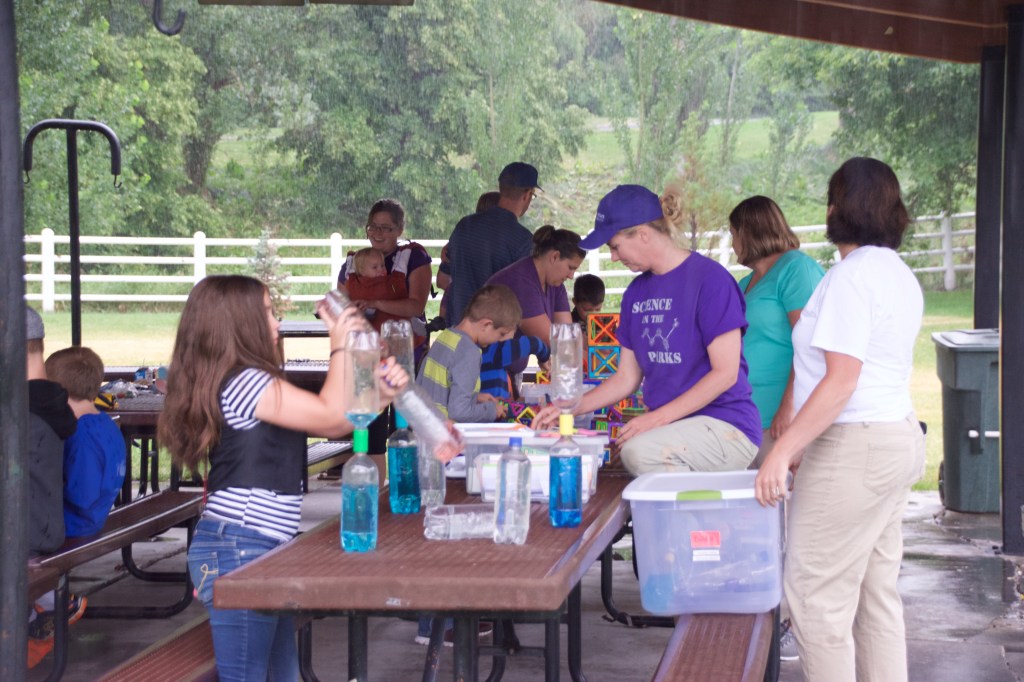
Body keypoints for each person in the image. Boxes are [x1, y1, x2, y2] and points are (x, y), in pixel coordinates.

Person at [158, 275, 408, 681]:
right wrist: (341, 343)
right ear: (238, 325)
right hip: (237, 545)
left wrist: (380, 395)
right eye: (268, 314)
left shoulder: (251, 379)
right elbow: (330, 415)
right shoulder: (243, 383)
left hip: (259, 545)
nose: (277, 324)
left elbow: (336, 423)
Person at [754, 158, 926, 682]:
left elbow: (841, 381)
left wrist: (782, 451)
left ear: (837, 209)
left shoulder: (852, 278)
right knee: (876, 596)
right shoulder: (897, 273)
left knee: (813, 595)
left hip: (856, 445)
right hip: (894, 438)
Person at [532, 185, 761, 475]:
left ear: (642, 234)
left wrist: (655, 420)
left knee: (639, 452)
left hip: (725, 425)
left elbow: (726, 373)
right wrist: (570, 407)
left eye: (614, 246)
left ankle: (694, 518)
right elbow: (626, 378)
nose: (613, 257)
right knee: (628, 451)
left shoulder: (711, 280)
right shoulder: (635, 294)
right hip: (674, 428)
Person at [728, 196, 824, 466]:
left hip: (780, 417)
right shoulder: (745, 283)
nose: (733, 244)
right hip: (745, 417)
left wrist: (789, 407)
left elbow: (810, 345)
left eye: (734, 234)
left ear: (750, 232)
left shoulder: (796, 269)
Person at [336, 198, 433, 463]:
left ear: (400, 230)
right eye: (373, 227)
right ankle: (376, 491)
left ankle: (404, 490)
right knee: (371, 427)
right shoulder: (354, 263)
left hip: (406, 352)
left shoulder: (414, 258)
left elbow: (415, 305)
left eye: (387, 228)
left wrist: (375, 303)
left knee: (404, 426)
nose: (378, 233)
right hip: (368, 356)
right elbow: (343, 306)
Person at [23, 306, 82, 668]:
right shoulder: (52, 402)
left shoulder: (19, 412)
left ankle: (36, 613)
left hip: (22, 537)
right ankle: (41, 609)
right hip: (45, 528)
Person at [44, 346, 125, 538]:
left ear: (57, 391)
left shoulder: (80, 434)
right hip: (93, 518)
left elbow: (83, 495)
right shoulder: (106, 423)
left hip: (72, 524)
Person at [446, 162, 541, 326]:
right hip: (498, 334)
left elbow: (444, 278)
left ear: (501, 188)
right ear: (527, 194)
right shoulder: (522, 239)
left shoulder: (464, 225)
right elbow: (524, 296)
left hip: (460, 329)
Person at [485, 225, 583, 377]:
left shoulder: (555, 283)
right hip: (487, 370)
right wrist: (594, 360)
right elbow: (554, 341)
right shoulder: (521, 281)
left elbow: (567, 333)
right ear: (555, 256)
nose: (571, 275)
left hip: (508, 368)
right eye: (570, 267)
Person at [416, 284, 520, 423]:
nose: (498, 341)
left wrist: (476, 397)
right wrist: (492, 410)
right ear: (486, 325)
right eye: (500, 334)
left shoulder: (446, 337)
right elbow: (459, 411)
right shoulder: (469, 353)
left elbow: (437, 389)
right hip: (443, 437)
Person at [435, 191, 501, 327]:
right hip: (493, 317)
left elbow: (441, 281)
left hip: (458, 314)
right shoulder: (505, 242)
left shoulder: (461, 239)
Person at [345, 247, 407, 328]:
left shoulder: (389, 281)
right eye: (375, 267)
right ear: (362, 271)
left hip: (390, 322)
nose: (381, 269)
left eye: (382, 265)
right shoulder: (355, 284)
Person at [479, 334, 551, 401]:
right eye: (502, 333)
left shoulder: (472, 348)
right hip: (494, 411)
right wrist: (545, 357)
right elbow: (535, 344)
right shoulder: (496, 350)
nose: (511, 340)